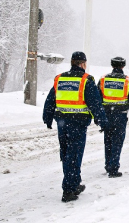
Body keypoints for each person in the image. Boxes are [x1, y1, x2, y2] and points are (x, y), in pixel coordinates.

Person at [43, 51, 108, 202]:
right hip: (78, 123)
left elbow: (51, 99)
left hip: (62, 122)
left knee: (66, 154)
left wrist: (47, 117)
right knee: (74, 156)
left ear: (72, 62)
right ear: (83, 64)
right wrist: (102, 121)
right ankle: (68, 190)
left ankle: (75, 183)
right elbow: (95, 103)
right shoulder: (86, 80)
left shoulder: (60, 78)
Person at [96, 57, 129, 178]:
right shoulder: (127, 81)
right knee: (117, 142)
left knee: (108, 141)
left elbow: (97, 98)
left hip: (106, 115)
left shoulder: (103, 79)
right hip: (120, 115)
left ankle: (108, 165)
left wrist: (97, 116)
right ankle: (113, 168)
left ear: (112, 65)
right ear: (123, 66)